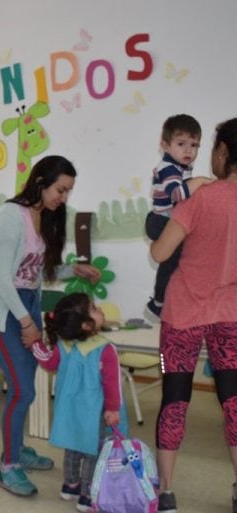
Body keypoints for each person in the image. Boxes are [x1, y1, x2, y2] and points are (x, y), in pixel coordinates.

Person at [0, 155, 101, 497]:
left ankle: (16, 449)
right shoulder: (9, 217)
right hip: (5, 311)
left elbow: (35, 272)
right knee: (23, 390)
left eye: (68, 191)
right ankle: (8, 466)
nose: (63, 197)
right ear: (40, 182)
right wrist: (25, 323)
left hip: (27, 305)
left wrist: (71, 270)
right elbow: (3, 279)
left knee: (25, 386)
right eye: (60, 189)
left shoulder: (45, 217)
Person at [150, 118, 237, 513]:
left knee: (175, 398)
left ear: (222, 153)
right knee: (234, 401)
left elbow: (160, 253)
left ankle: (166, 491)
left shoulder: (200, 197)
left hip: (183, 314)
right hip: (231, 315)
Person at [31, 293, 126, 513]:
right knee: (93, 450)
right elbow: (112, 384)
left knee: (72, 445)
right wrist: (113, 409)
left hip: (68, 409)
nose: (100, 309)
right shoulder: (105, 348)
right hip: (95, 411)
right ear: (85, 325)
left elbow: (48, 362)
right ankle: (87, 494)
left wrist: (35, 344)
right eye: (94, 308)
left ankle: (70, 485)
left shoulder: (64, 345)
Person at [145, 114, 213, 320]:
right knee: (171, 261)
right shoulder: (169, 168)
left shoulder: (180, 167)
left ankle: (163, 300)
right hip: (160, 221)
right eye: (181, 143)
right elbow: (177, 194)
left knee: (178, 260)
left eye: (194, 145)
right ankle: (158, 302)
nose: (188, 150)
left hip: (165, 219)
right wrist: (199, 181)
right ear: (165, 145)